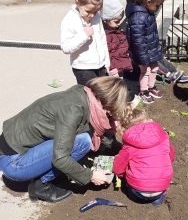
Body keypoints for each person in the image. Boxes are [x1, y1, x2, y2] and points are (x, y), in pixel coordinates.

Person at [0, 77, 129, 203]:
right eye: (111, 112)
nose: (110, 115)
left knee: (82, 137)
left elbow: (95, 129)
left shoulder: (84, 95)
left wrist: (124, 149)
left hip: (14, 146)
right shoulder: (73, 110)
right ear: (107, 105)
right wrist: (91, 176)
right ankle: (40, 186)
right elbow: (60, 158)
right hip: (13, 162)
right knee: (82, 142)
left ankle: (43, 173)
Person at [113, 108, 176, 206]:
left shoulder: (129, 145)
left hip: (138, 191)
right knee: (157, 185)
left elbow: (117, 169)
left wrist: (125, 176)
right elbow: (171, 156)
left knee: (129, 188)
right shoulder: (163, 136)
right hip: (162, 185)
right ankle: (158, 199)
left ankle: (136, 195)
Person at [126, 0, 167, 104]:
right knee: (146, 70)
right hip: (142, 52)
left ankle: (151, 86)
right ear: (148, 1)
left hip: (151, 49)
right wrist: (143, 57)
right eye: (157, 5)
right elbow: (138, 41)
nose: (158, 8)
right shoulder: (138, 17)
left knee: (154, 69)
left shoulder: (147, 11)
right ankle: (143, 90)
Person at [61, 0, 110, 86]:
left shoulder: (96, 17)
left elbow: (102, 39)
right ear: (77, 2)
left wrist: (107, 62)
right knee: (90, 96)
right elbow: (65, 47)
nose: (92, 15)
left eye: (96, 11)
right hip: (83, 68)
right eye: (88, 11)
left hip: (100, 65)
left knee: (103, 95)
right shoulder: (69, 20)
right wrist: (83, 35)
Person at [101, 0, 133, 78]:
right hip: (113, 70)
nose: (119, 23)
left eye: (120, 20)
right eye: (116, 21)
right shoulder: (106, 35)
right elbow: (107, 54)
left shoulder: (117, 30)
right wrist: (113, 70)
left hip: (121, 66)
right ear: (106, 20)